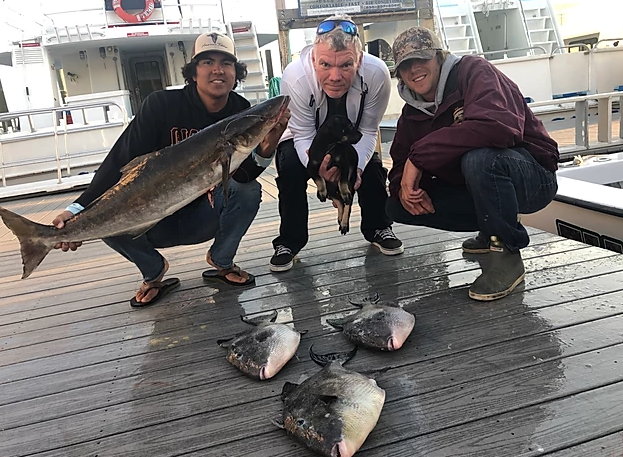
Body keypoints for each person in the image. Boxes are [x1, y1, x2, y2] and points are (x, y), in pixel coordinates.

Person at [52, 32, 290, 307]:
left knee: (249, 192)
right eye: (207, 62)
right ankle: (153, 273)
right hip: (150, 220)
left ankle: (222, 261)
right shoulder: (160, 105)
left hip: (203, 216)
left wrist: (268, 143)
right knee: (107, 217)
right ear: (193, 71)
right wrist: (77, 210)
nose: (217, 70)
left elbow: (242, 177)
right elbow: (119, 161)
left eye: (226, 63)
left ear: (236, 72)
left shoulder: (240, 110)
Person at [386, 27, 559, 301]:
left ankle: (506, 252)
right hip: (479, 184)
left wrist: (418, 158)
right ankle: (489, 231)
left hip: (533, 176)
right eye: (406, 65)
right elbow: (399, 164)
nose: (414, 69)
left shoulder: (474, 71)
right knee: (395, 204)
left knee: (480, 159)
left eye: (422, 58)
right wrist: (405, 190)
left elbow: (499, 128)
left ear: (439, 56)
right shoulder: (410, 115)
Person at [269, 14, 404, 272]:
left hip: (350, 136)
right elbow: (303, 135)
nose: (335, 76)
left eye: (345, 65)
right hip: (306, 138)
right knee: (289, 169)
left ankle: (378, 226)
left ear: (359, 60)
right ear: (313, 59)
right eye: (325, 65)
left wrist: (356, 171)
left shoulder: (377, 74)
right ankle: (289, 241)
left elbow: (367, 130)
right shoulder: (295, 77)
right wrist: (320, 169)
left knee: (372, 168)